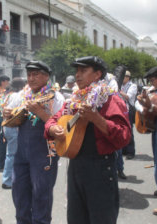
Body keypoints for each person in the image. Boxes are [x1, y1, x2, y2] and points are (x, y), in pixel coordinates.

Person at [45, 56, 131, 224]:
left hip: (100, 168)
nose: (78, 75)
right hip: (76, 167)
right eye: (77, 71)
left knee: (101, 218)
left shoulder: (109, 98)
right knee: (76, 218)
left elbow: (124, 137)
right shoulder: (74, 100)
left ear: (97, 74)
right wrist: (52, 128)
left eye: (83, 71)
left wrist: (96, 118)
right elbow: (52, 120)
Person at [4, 61, 64, 224]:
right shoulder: (20, 96)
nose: (31, 78)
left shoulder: (56, 97)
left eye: (36, 74)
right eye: (29, 74)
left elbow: (61, 129)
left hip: (45, 152)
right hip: (21, 153)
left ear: (46, 76)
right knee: (19, 192)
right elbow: (8, 117)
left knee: (41, 194)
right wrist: (7, 114)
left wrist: (40, 113)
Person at [137, 66, 157, 217]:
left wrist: (150, 106)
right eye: (150, 80)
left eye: (153, 79)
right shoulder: (152, 91)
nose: (152, 82)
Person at [1, 78, 26, 189]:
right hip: (13, 127)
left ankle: (9, 178)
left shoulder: (10, 95)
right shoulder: (22, 95)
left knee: (11, 154)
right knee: (12, 154)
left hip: (8, 127)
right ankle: (7, 180)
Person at [120, 70, 137, 159]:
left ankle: (131, 151)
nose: (122, 78)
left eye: (123, 76)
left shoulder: (132, 86)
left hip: (128, 110)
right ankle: (124, 149)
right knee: (122, 129)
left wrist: (118, 90)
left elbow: (128, 97)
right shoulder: (121, 85)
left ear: (128, 77)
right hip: (121, 109)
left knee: (129, 129)